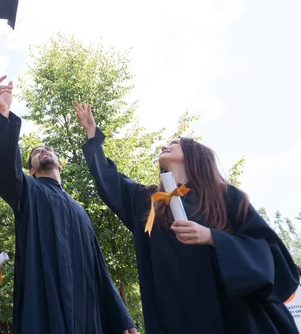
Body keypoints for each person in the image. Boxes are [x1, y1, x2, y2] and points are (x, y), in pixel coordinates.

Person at [75, 101, 300, 334]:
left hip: (231, 314)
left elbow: (269, 253)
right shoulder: (150, 203)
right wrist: (92, 134)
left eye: (174, 143)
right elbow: (110, 180)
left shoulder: (225, 196)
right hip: (175, 318)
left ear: (194, 155)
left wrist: (213, 237)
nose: (165, 145)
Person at [0, 74, 137, 334]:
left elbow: (99, 268)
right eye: (35, 153)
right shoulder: (27, 191)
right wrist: (4, 114)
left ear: (59, 164)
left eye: (47, 150)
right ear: (31, 170)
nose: (42, 151)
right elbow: (3, 171)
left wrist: (123, 320)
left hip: (84, 310)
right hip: (45, 304)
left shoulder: (79, 211)